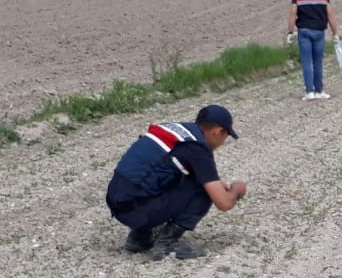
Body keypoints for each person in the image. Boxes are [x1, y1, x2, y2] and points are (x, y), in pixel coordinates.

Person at [105, 104, 246, 259]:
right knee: (203, 190)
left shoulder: (175, 131)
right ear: (217, 132)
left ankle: (139, 237)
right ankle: (167, 244)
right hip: (135, 210)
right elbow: (224, 203)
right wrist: (237, 190)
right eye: (225, 137)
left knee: (163, 179)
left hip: (118, 200)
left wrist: (216, 184)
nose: (222, 142)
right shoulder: (197, 148)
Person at [288, 0, 340, 100]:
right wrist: (335, 33)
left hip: (304, 31)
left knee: (306, 62)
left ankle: (309, 92)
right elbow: (330, 13)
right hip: (319, 32)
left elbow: (293, 12)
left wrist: (290, 31)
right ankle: (319, 91)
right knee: (318, 62)